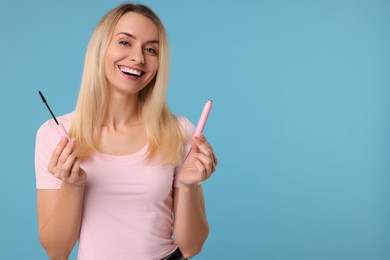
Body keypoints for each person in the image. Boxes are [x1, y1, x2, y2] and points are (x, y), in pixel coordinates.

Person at [34, 3, 218, 260]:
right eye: (124, 42)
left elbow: (191, 247)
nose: (139, 58)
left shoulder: (179, 131)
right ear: (101, 49)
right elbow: (57, 251)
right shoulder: (55, 135)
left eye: (151, 49)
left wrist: (187, 186)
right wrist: (73, 186)